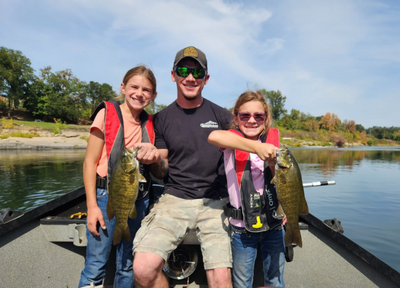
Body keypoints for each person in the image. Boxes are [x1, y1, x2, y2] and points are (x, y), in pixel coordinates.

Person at [132, 46, 233, 288]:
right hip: (174, 200)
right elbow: (163, 170)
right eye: (184, 71)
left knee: (220, 280)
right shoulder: (162, 119)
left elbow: (248, 157)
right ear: (173, 75)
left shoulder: (223, 117)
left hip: (216, 203)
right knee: (143, 269)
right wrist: (155, 159)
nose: (190, 78)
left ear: (206, 79)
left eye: (197, 73)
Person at [78, 65, 167, 288]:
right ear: (123, 87)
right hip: (105, 195)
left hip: (138, 197)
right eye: (134, 87)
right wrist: (92, 207)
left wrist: (155, 157)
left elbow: (159, 168)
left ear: (153, 95)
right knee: (95, 264)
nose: (139, 93)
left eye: (146, 90)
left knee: (128, 263)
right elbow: (89, 162)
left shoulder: (152, 123)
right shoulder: (106, 113)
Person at [208, 90, 286, 288]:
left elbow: (283, 184)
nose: (252, 120)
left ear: (266, 119)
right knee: (242, 282)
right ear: (236, 117)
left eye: (258, 116)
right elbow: (214, 136)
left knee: (275, 280)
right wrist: (256, 147)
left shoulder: (274, 143)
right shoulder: (230, 141)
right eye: (245, 116)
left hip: (274, 226)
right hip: (242, 229)